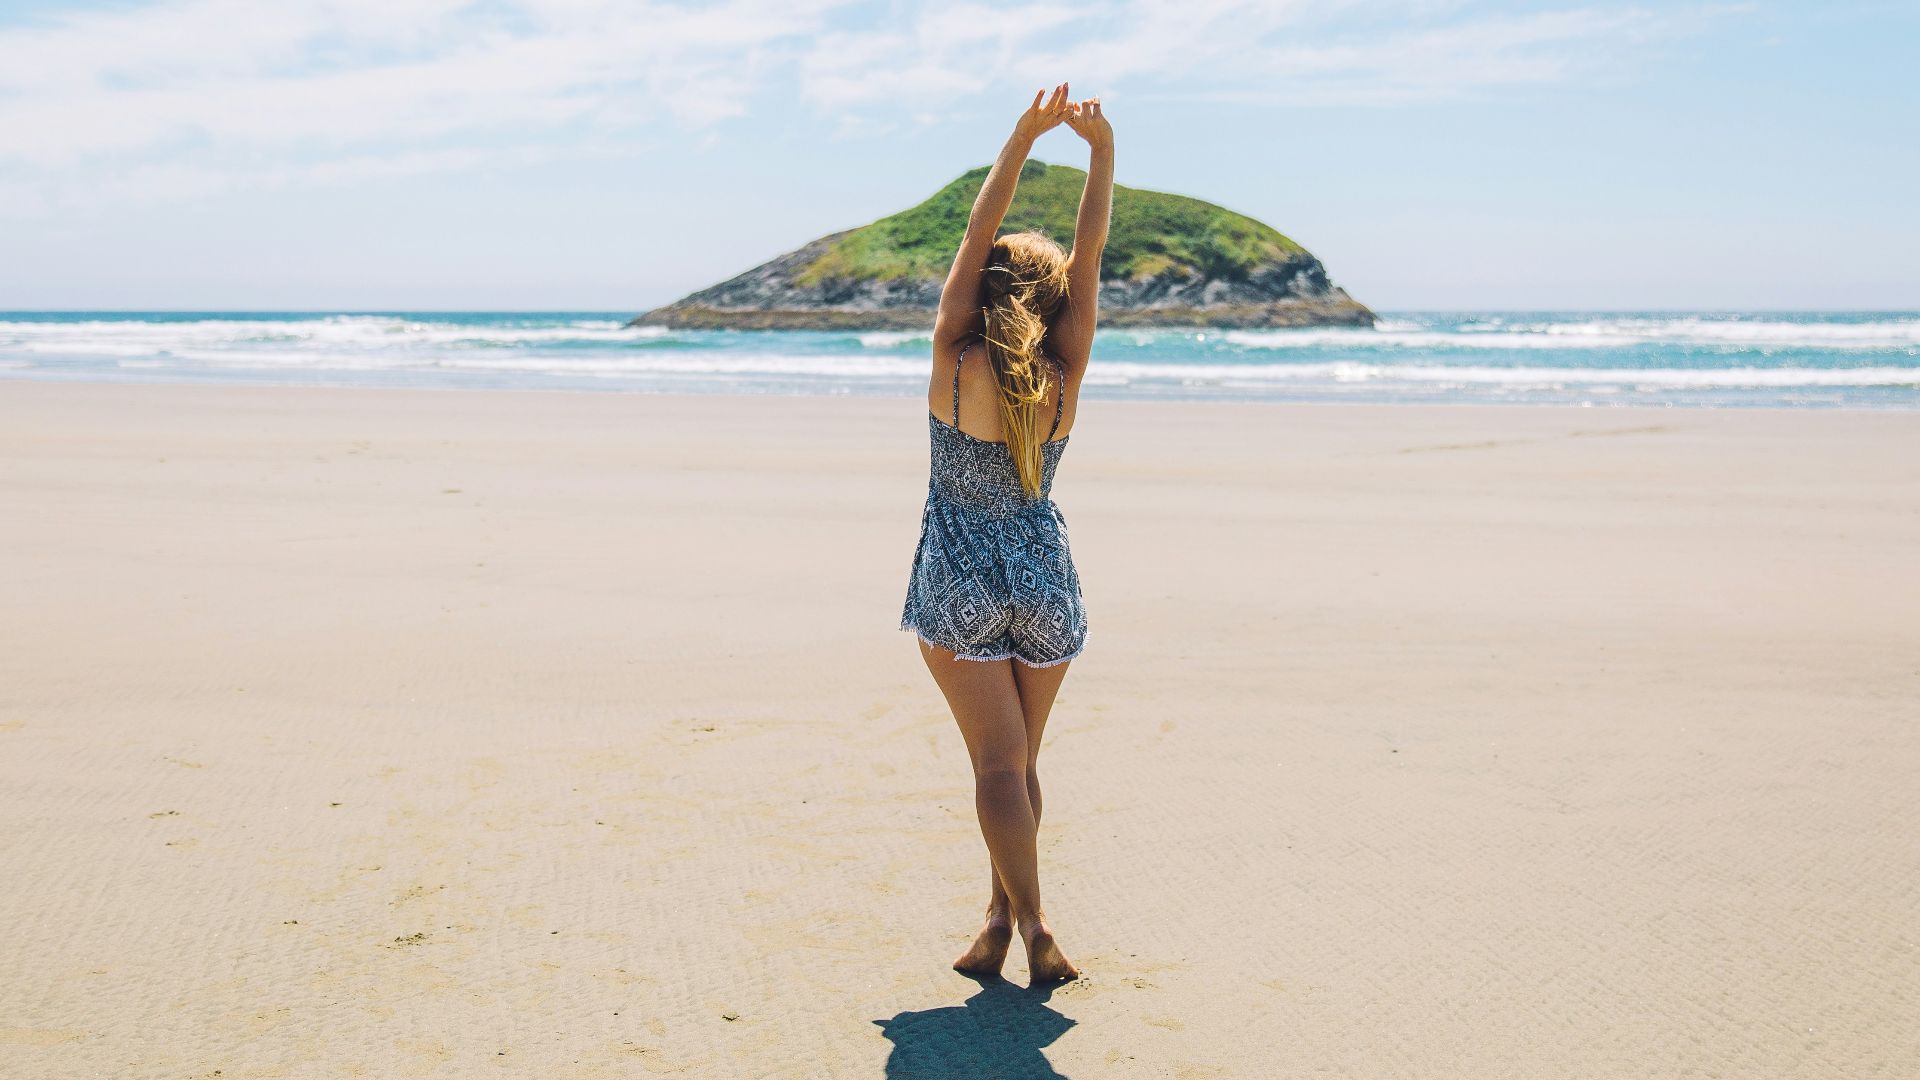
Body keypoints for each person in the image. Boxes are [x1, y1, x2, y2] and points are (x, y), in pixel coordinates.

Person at [898, 82, 1113, 984]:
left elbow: (970, 241)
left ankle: (1033, 927)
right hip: (1043, 575)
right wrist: (1102, 154)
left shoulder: (955, 356)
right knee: (1021, 766)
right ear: (1056, 299)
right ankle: (996, 919)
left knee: (995, 767)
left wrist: (1021, 140)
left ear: (985, 289)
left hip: (960, 576)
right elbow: (1092, 256)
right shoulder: (1066, 367)